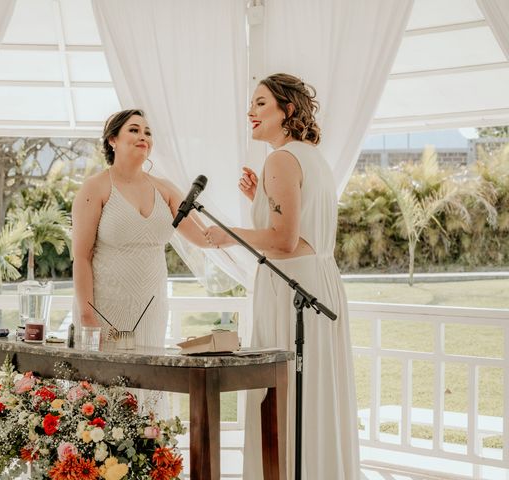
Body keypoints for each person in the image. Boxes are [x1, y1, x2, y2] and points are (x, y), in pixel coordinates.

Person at [206, 73, 360, 479]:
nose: (250, 112)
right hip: (319, 280)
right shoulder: (311, 157)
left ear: (286, 110)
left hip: (292, 288)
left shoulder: (280, 159)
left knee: (284, 395)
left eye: (260, 103)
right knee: (315, 395)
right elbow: (303, 226)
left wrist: (229, 233)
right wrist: (259, 197)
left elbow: (284, 240)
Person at [72, 109, 212, 348]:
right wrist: (87, 315)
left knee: (147, 384)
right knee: (106, 384)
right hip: (103, 311)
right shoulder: (95, 187)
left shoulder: (165, 189)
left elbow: (203, 237)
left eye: (147, 132)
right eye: (134, 130)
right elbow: (81, 257)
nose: (143, 136)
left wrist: (254, 233)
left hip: (151, 312)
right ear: (112, 140)